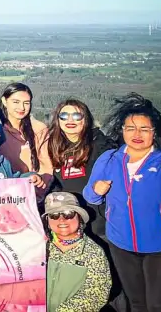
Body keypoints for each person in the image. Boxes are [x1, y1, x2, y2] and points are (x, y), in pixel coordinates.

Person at [85, 93, 161, 312]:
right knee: (135, 303)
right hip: (121, 245)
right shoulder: (109, 159)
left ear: (155, 133)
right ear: (122, 130)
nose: (137, 134)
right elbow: (90, 196)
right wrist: (96, 190)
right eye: (130, 128)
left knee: (157, 305)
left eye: (145, 129)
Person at [44, 99, 112, 241]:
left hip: (98, 222)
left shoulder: (100, 145)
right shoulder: (52, 145)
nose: (70, 120)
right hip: (65, 220)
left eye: (76, 116)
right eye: (64, 116)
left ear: (85, 119)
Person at [44, 192, 112, 312]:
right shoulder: (38, 249)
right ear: (48, 221)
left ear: (79, 217)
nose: (61, 219)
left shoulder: (94, 252)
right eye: (54, 215)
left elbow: (96, 296)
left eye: (68, 214)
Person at [0, 83, 52, 184]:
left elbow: (46, 167)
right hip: (4, 191)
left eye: (26, 103)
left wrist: (37, 192)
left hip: (35, 192)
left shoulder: (39, 129)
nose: (21, 108)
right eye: (16, 102)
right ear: (4, 101)